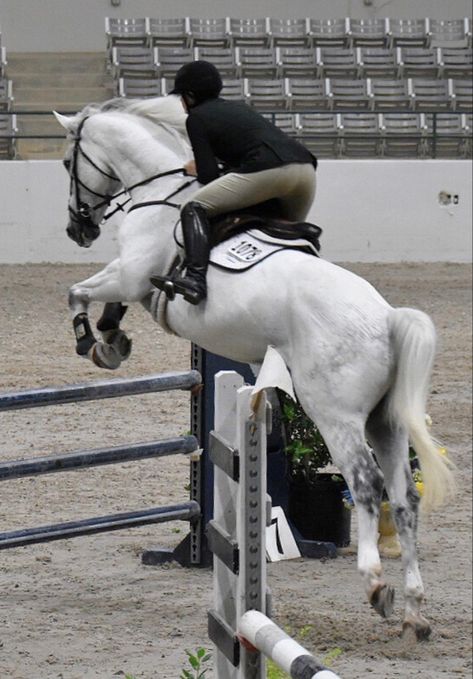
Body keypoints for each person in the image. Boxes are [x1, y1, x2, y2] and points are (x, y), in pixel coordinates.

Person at [150, 60, 317, 305]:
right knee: (283, 236)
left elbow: (207, 177)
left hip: (268, 171)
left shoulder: (196, 118)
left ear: (190, 96)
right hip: (305, 172)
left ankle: (195, 279)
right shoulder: (239, 108)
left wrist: (194, 169)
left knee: (193, 208)